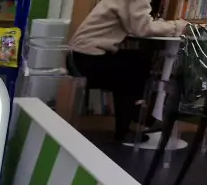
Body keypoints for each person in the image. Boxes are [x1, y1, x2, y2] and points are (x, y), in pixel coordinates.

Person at [69, 0, 190, 144]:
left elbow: (136, 24)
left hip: (79, 56)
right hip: (88, 59)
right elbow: (142, 28)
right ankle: (130, 123)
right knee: (131, 70)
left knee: (136, 61)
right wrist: (177, 26)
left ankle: (136, 112)